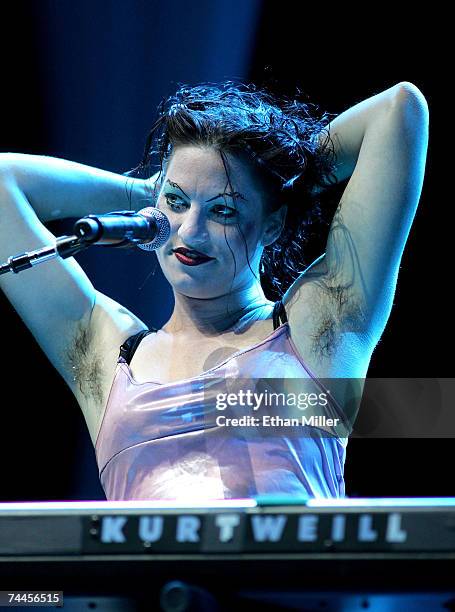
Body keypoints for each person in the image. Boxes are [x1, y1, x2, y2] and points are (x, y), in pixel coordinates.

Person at [0, 80, 429, 501]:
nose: (191, 231)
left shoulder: (320, 327)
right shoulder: (104, 352)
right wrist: (145, 191)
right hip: (151, 577)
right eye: (176, 203)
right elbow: (3, 183)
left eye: (223, 210)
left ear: (272, 224)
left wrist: (283, 180)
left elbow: (397, 111)